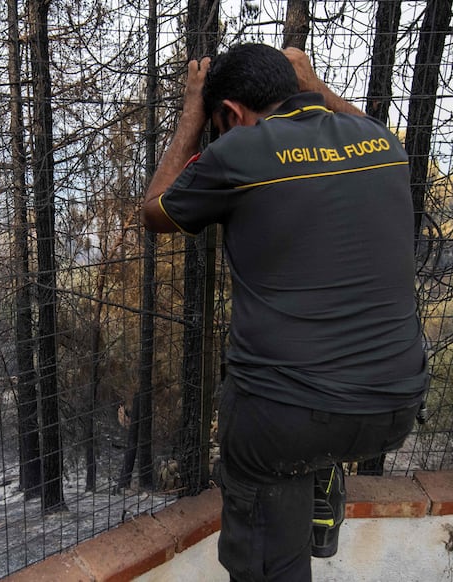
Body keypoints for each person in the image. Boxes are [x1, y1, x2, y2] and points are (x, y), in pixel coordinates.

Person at [141, 43, 427, 582]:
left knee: (269, 553)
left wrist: (190, 116)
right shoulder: (382, 144)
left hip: (286, 415)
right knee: (308, 428)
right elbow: (368, 124)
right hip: (395, 404)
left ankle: (298, 496)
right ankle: (318, 477)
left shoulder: (240, 149)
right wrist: (316, 85)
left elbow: (156, 210)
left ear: (230, 113)